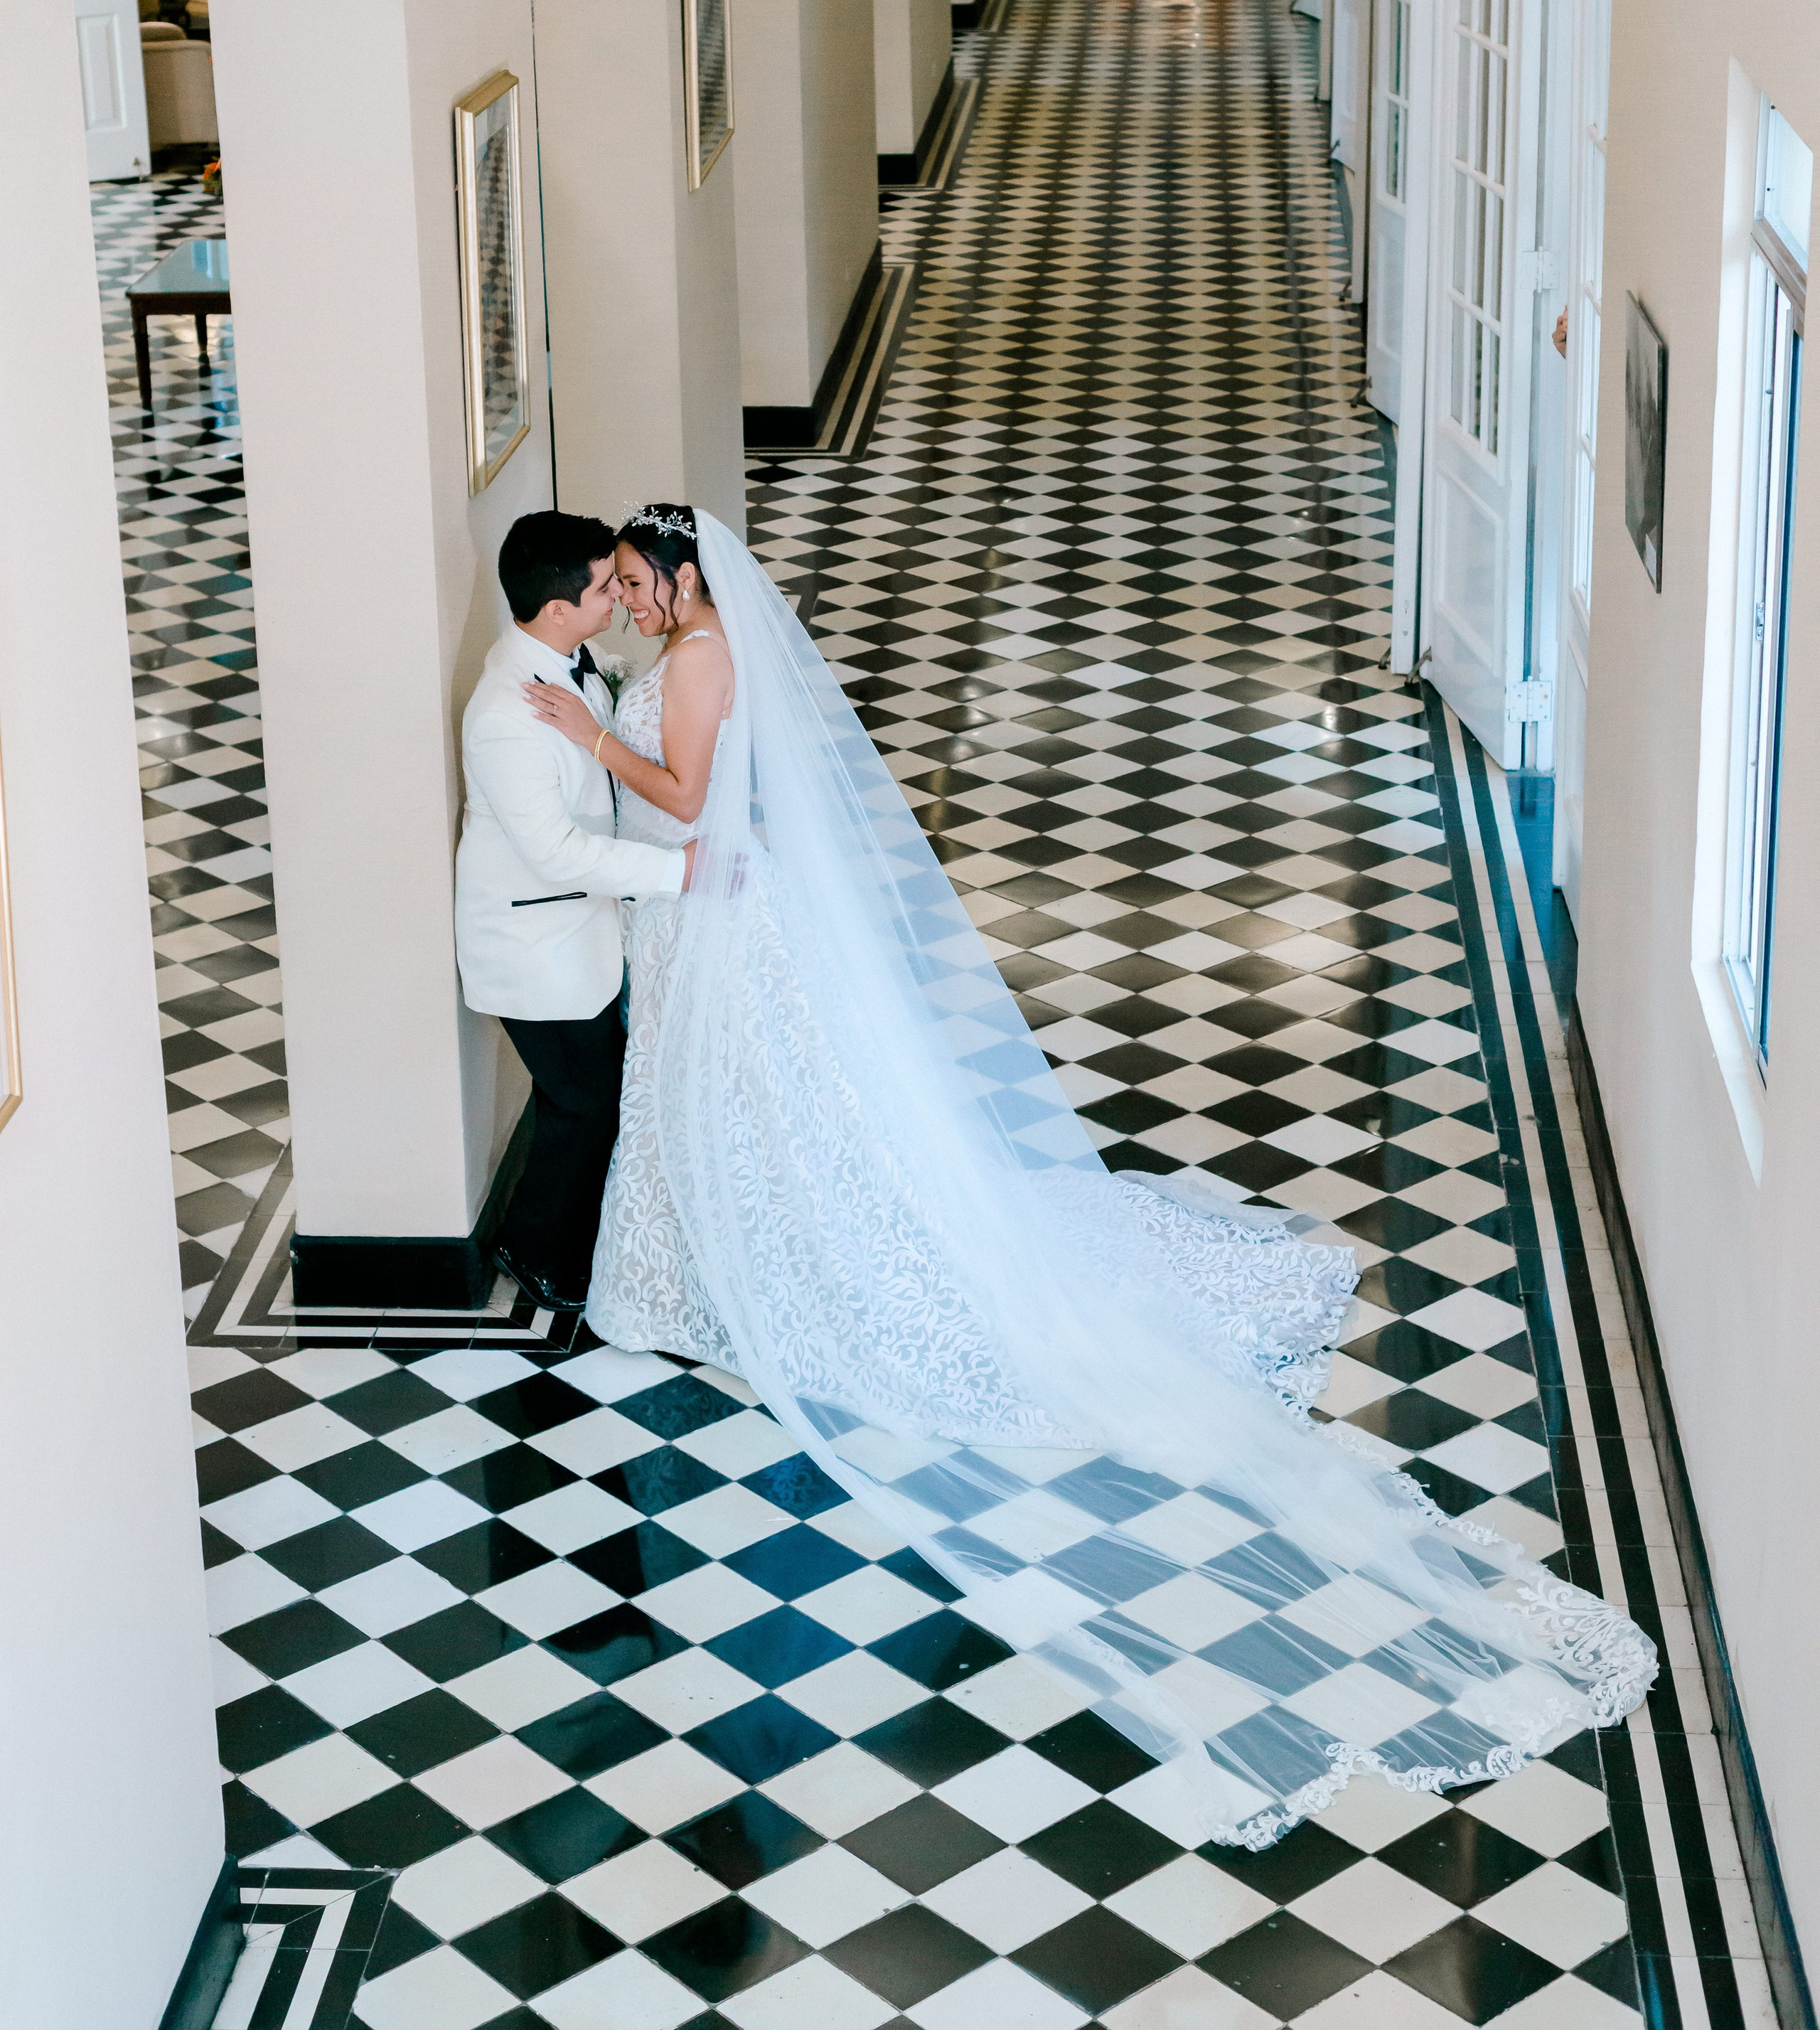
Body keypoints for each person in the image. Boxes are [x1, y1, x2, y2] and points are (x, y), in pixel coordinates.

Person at [526, 503, 1655, 1850]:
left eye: (644, 584)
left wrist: (589, 737)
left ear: (688, 577)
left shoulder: (701, 658)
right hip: (697, 921)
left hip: (719, 915)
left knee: (772, 1108)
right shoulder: (691, 645)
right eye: (623, 589)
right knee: (731, 1105)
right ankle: (706, 1258)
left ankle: (782, 1261)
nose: (635, 604)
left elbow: (693, 802)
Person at [455, 511, 691, 1311]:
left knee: (596, 1094)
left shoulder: (567, 658)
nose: (617, 599)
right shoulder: (504, 720)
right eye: (603, 587)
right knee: (582, 1103)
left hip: (583, 928)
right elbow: (554, 852)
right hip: (536, 941)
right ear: (559, 608)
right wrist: (675, 871)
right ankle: (534, 1249)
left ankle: (570, 1235)